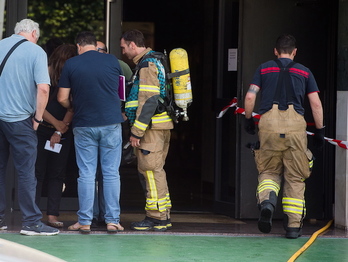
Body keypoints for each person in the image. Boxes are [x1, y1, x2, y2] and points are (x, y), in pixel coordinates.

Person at [243, 34, 324, 239]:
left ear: (275, 51)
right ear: (294, 52)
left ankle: (268, 203)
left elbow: (251, 96)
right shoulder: (304, 72)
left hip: (268, 125)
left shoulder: (264, 68)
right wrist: (320, 132)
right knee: (295, 177)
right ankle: (293, 227)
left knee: (269, 171)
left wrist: (248, 119)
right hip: (296, 127)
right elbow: (315, 104)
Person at [57, 31, 124, 234]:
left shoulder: (71, 64)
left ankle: (85, 221)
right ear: (96, 45)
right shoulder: (112, 61)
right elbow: (120, 92)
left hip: (84, 123)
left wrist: (73, 106)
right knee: (111, 172)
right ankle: (112, 221)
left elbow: (61, 98)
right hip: (111, 122)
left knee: (86, 173)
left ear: (78, 46)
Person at [0, 19, 59, 236]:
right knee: (26, 172)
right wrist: (38, 117)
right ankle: (31, 223)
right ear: (34, 33)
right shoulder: (36, 52)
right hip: (20, 120)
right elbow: (43, 89)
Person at [120, 29, 174, 232]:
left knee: (151, 171)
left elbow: (149, 100)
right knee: (154, 170)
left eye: (124, 47)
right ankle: (162, 215)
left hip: (151, 129)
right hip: (157, 127)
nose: (124, 52)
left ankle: (157, 217)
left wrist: (137, 132)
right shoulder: (152, 61)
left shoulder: (147, 64)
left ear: (133, 44)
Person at [91, 40, 133, 228]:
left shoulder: (119, 65)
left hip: (110, 122)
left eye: (96, 50)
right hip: (97, 124)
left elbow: (133, 89)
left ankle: (108, 217)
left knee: (105, 172)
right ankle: (94, 216)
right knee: (93, 173)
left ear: (104, 51)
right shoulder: (85, 64)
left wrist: (126, 112)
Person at [35, 44, 76, 228]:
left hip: (62, 132)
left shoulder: (72, 76)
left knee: (57, 174)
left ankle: (52, 215)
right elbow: (38, 105)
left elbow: (73, 106)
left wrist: (59, 130)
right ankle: (34, 214)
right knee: (37, 173)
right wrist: (57, 125)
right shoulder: (44, 74)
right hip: (42, 128)